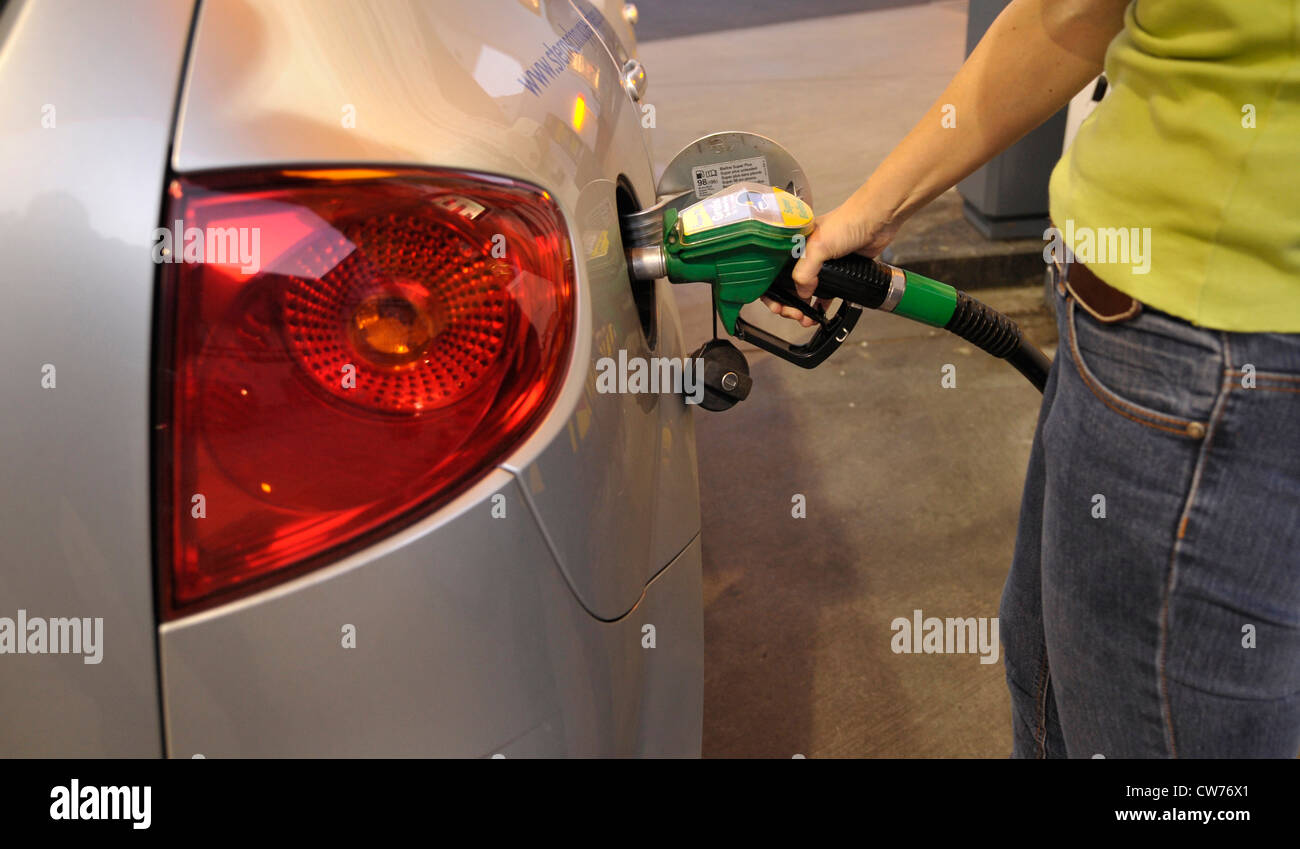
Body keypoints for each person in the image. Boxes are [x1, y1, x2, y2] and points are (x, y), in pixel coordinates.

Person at [774, 0, 1300, 757]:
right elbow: (1073, 16)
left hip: (1207, 362)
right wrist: (876, 209)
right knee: (1045, 676)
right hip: (1142, 345)